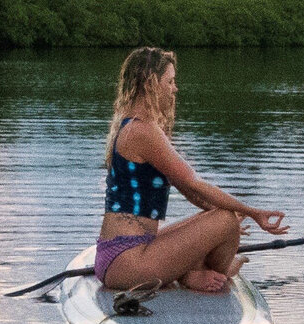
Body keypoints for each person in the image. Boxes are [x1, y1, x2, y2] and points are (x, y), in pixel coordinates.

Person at [95, 46, 288, 293]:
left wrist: (220, 219)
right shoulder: (142, 131)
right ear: (152, 83)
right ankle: (207, 271)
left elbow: (188, 189)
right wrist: (251, 212)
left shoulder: (133, 126)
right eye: (170, 81)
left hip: (124, 253)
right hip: (127, 262)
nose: (175, 88)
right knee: (227, 218)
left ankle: (189, 271)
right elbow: (195, 182)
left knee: (224, 217)